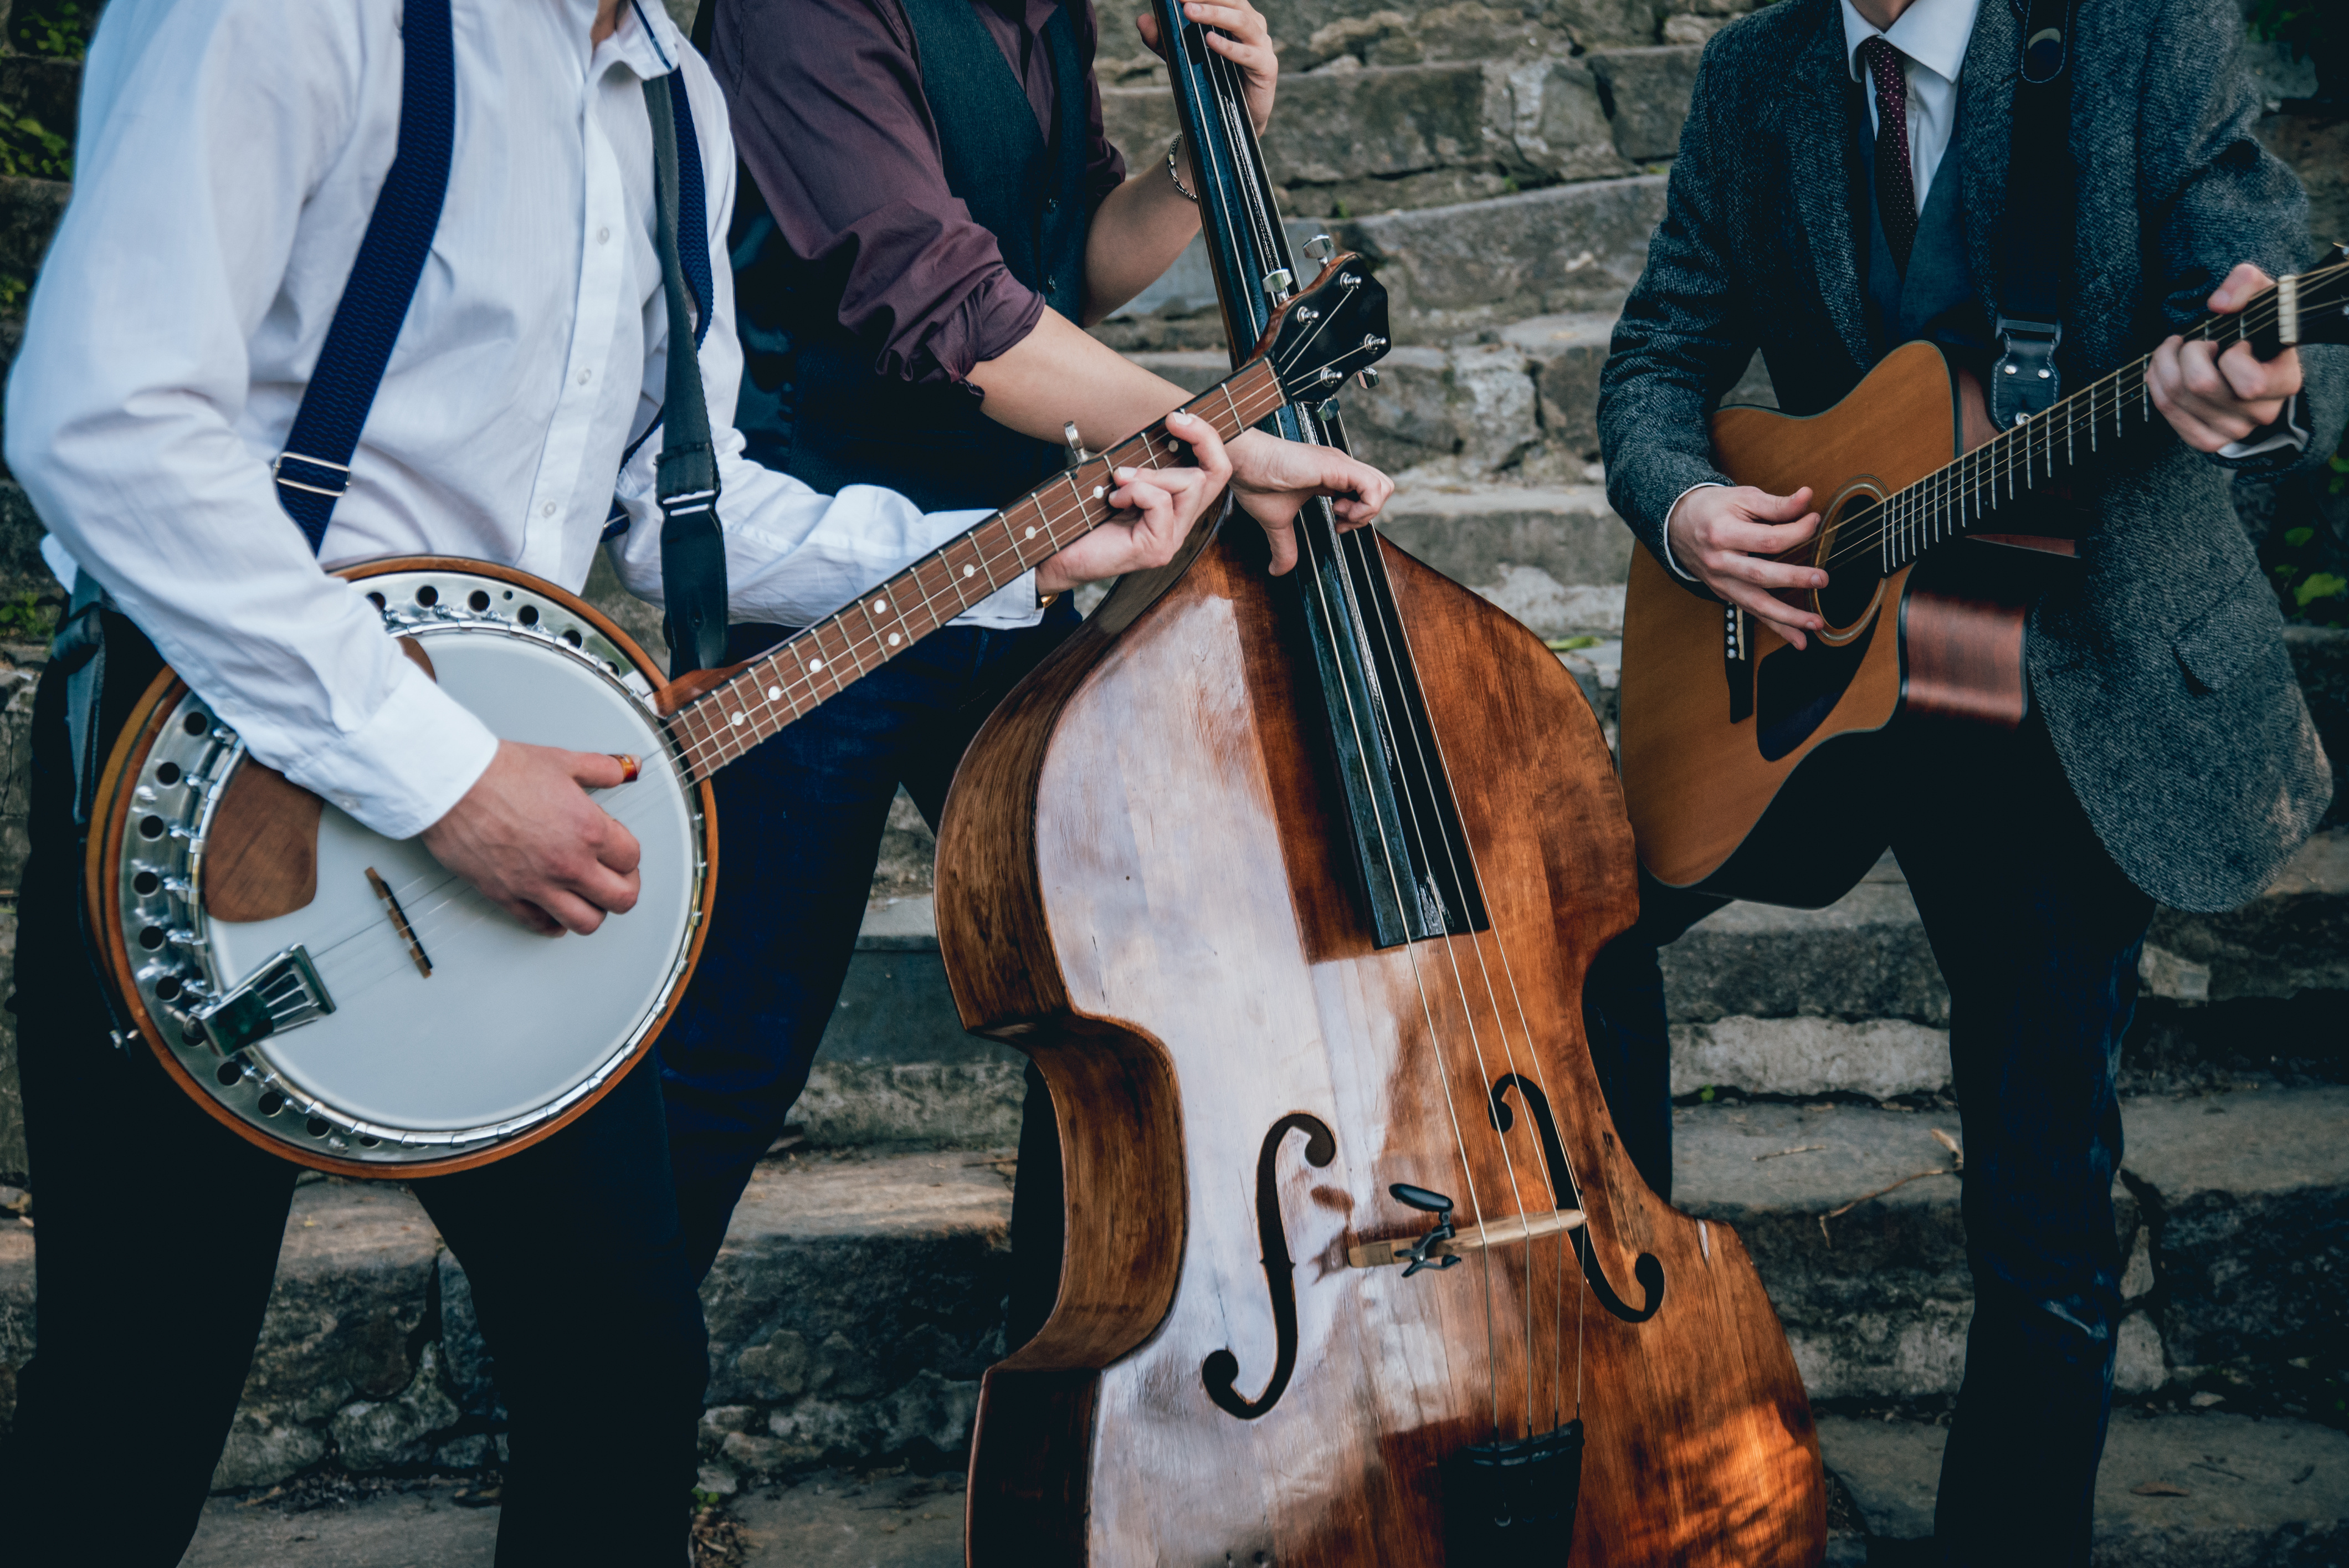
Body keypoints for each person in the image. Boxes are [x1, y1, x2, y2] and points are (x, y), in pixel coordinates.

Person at [0, 0, 1279, 1560]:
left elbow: (686, 504)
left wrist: (1008, 553)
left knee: (620, 1364)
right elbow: (104, 422)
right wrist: (448, 777)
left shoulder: (670, 96)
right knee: (129, 1414)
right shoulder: (288, 14)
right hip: (213, 789)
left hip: (504, 811)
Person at [1592, 0, 2341, 1559]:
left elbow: (2243, 260)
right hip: (1811, 661)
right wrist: (1688, 518)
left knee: (2039, 1200)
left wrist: (2246, 368)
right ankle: (1616, 1364)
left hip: (2072, 673)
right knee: (1572, 924)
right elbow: (1659, 362)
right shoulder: (1757, 73)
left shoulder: (2142, 32)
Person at [665, 0, 1389, 1344]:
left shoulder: (1045, 15)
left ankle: (1089, 1366)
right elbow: (951, 306)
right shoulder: (804, 14)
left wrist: (1196, 158)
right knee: (730, 1053)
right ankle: (601, 1389)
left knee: (1121, 994)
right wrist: (1217, 437)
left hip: (1016, 569)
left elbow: (1066, 271)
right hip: (814, 593)